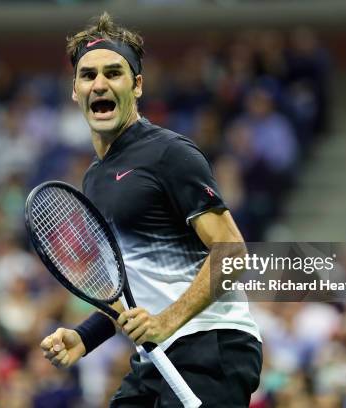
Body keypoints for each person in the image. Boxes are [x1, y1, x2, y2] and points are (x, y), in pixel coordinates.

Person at [40, 13, 262, 407]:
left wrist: (165, 322)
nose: (100, 84)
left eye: (114, 73)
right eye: (88, 76)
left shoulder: (170, 154)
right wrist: (85, 337)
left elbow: (232, 253)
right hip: (156, 357)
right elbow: (130, 288)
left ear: (137, 85)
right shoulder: (93, 179)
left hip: (211, 344)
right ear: (75, 90)